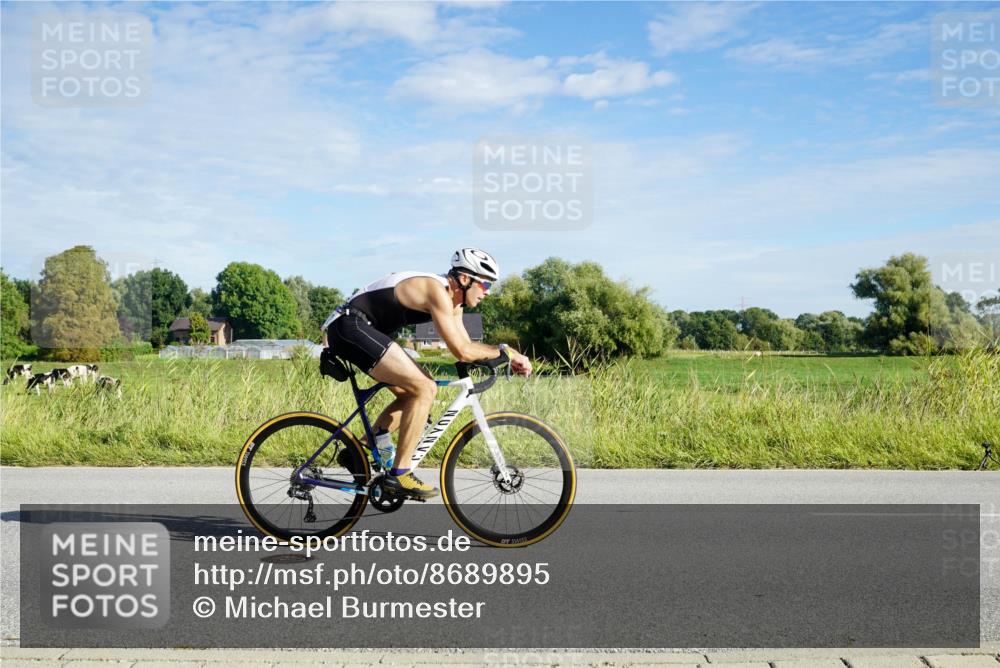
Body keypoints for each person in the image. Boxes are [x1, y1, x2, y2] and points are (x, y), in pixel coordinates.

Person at [321, 248, 533, 499]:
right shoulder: (437, 291)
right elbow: (463, 351)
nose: (487, 291)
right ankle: (400, 475)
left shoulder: (454, 303)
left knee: (414, 392)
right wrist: (506, 351)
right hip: (350, 326)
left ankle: (360, 450)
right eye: (485, 283)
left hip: (360, 328)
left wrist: (496, 355)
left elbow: (465, 347)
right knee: (425, 389)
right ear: (465, 279)